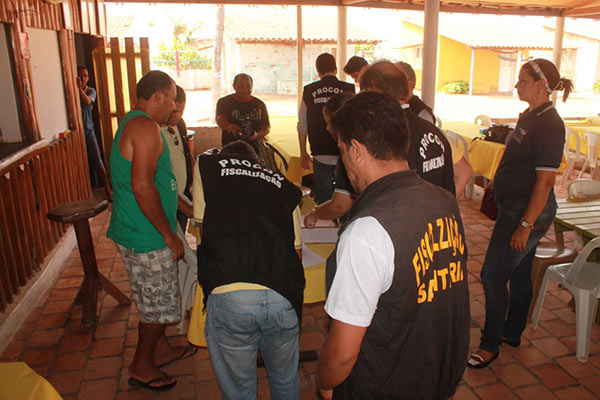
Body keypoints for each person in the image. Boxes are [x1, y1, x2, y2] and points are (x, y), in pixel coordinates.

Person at [317, 91, 469, 399]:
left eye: (342, 150)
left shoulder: (366, 232)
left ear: (357, 150)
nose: (344, 161)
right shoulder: (444, 199)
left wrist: (324, 382)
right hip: (434, 375)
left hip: (385, 386)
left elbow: (343, 354)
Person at [468, 59, 573, 369]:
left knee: (492, 275)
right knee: (519, 272)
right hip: (515, 207)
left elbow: (545, 182)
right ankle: (512, 332)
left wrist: (525, 226)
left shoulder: (550, 124)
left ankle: (490, 345)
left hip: (525, 213)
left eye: (522, 81)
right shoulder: (531, 115)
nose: (516, 86)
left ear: (541, 85)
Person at [195, 140, 305, 400]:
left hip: (230, 294)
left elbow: (204, 230)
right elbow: (297, 253)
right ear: (257, 162)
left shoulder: (209, 167)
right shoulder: (281, 185)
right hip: (281, 294)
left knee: (239, 389)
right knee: (286, 379)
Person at [107, 70, 194, 392]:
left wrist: (185, 209)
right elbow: (142, 187)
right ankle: (141, 364)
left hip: (142, 229)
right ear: (158, 97)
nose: (173, 106)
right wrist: (169, 235)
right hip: (146, 235)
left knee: (158, 299)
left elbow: (157, 181)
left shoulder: (135, 123)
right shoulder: (145, 127)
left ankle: (161, 350)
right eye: (171, 99)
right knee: (157, 309)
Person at [359, 61, 457, 195]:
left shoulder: (386, 135)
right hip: (437, 206)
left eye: (364, 92)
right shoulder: (434, 131)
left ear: (374, 91)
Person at [395, 61, 474, 198]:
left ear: (410, 84)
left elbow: (464, 171)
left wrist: (446, 205)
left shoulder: (420, 118)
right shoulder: (416, 120)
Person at [298, 53, 355, 205]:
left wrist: (303, 152)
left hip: (319, 150)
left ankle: (325, 217)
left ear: (318, 72)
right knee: (347, 196)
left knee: (324, 196)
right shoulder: (349, 89)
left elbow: (302, 124)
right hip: (345, 150)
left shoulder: (309, 91)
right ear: (336, 69)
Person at [304, 92, 355, 228]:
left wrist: (314, 213)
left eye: (328, 123)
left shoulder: (350, 153)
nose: (327, 128)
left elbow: (340, 205)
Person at [161, 85, 193, 231]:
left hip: (183, 196)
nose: (177, 116)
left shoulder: (180, 124)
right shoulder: (153, 130)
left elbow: (187, 154)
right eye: (174, 111)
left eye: (182, 111)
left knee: (180, 235)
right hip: (166, 199)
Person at [76, 66, 112, 199]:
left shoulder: (91, 91)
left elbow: (87, 101)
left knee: (98, 162)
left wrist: (79, 89)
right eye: (80, 76)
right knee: (81, 165)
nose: (83, 78)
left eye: (85, 76)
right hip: (77, 134)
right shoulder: (72, 91)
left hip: (89, 132)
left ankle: (108, 191)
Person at [216, 73, 270, 151]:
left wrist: (257, 135)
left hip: (254, 149)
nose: (245, 90)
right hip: (230, 147)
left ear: (252, 86)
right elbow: (219, 119)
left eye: (248, 86)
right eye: (241, 86)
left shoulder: (259, 104)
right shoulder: (224, 102)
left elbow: (266, 128)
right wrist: (229, 127)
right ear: (234, 86)